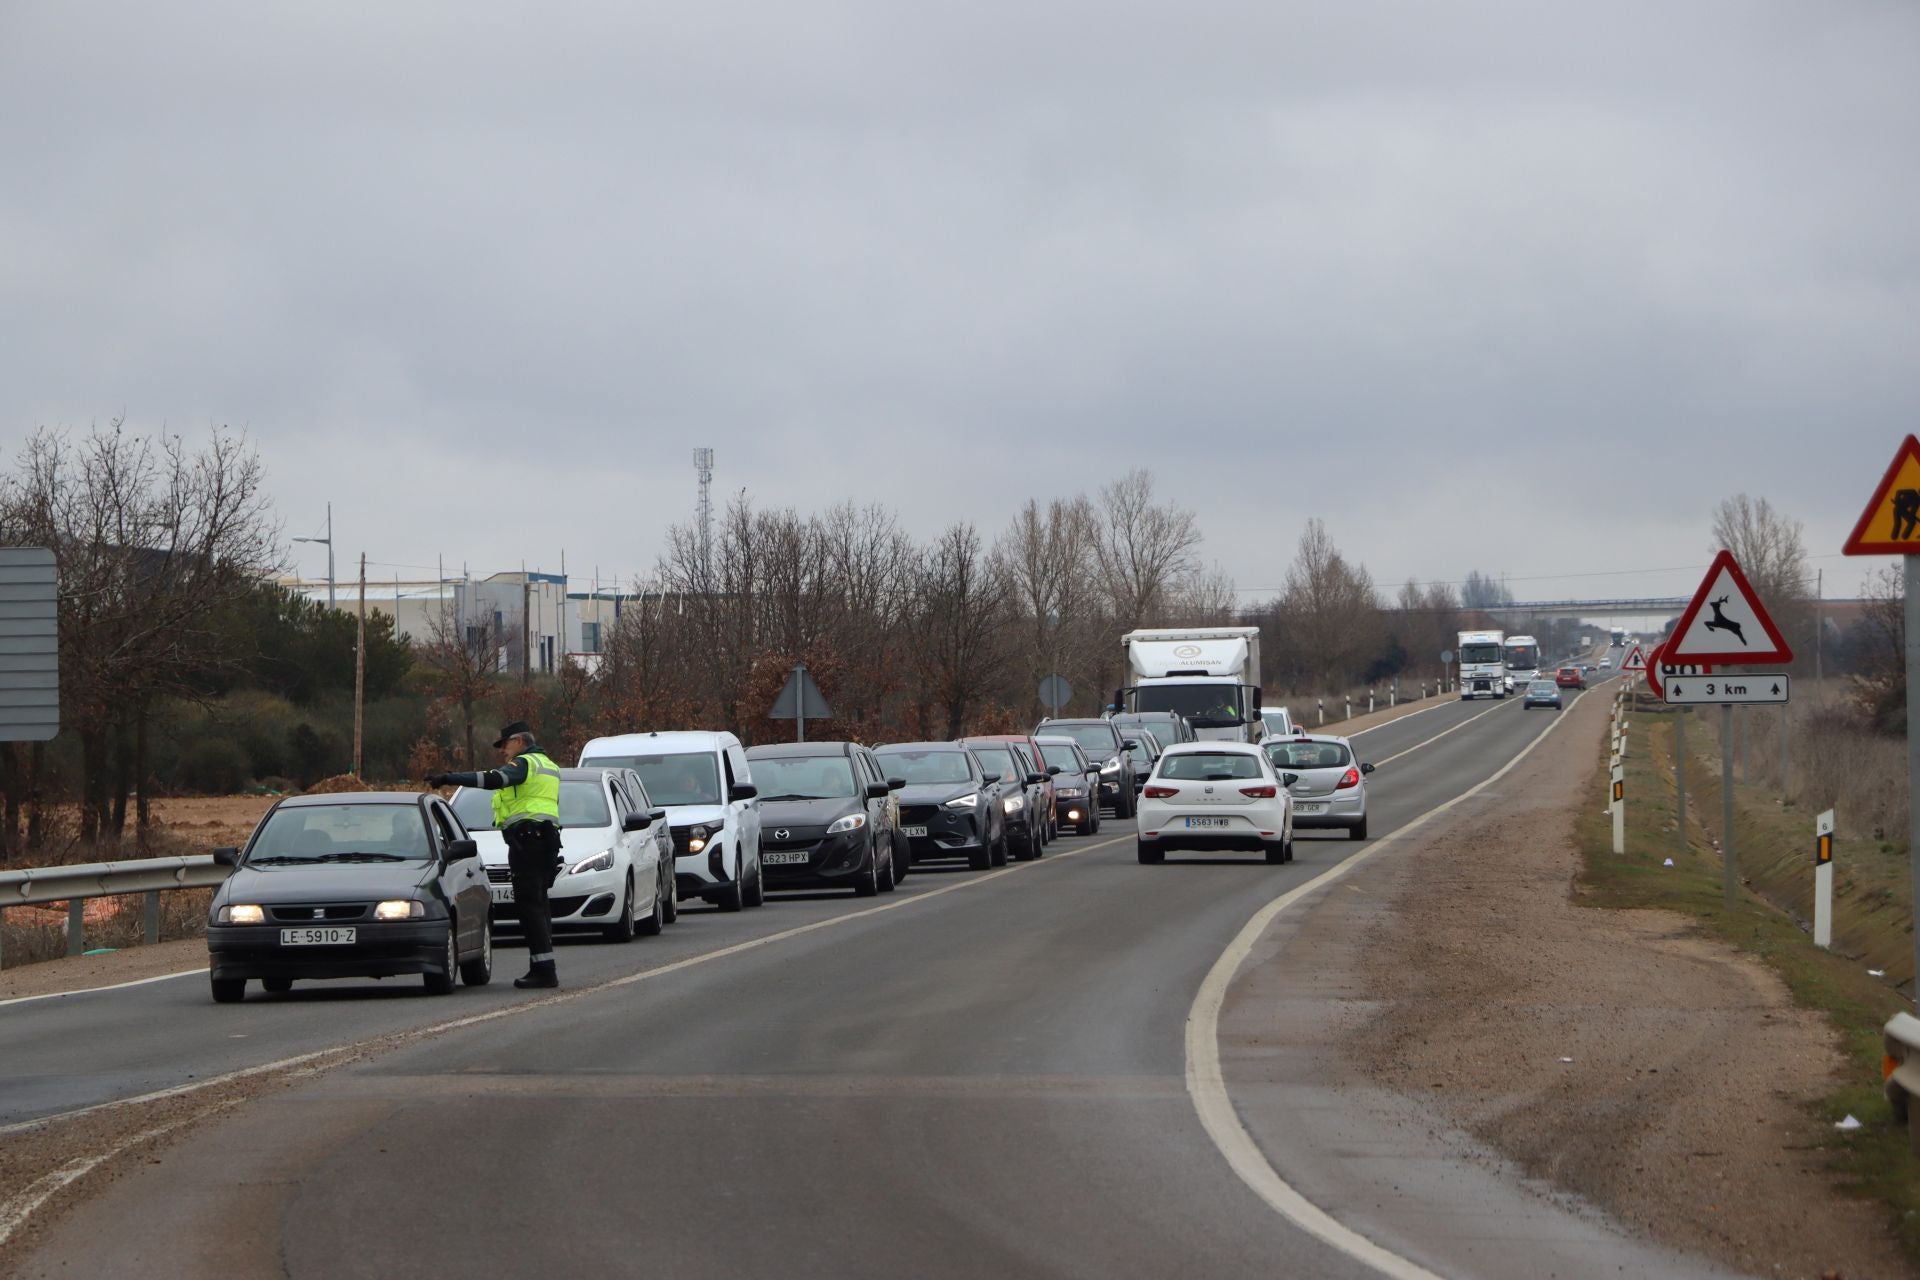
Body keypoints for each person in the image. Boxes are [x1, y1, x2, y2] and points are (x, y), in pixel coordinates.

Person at [429, 721, 564, 989]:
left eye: (505, 744)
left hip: (529, 841)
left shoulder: (525, 763)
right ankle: (543, 966)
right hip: (545, 841)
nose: (503, 751)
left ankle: (545, 971)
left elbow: (494, 779)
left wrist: (450, 777)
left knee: (530, 908)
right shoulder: (548, 765)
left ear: (520, 741)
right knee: (539, 906)